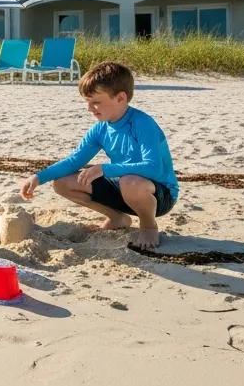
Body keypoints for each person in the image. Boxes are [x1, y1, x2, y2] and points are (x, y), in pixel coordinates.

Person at [18, 61, 179, 251]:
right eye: (87, 102)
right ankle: (117, 217)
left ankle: (148, 225)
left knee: (130, 181)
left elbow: (153, 168)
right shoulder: (100, 129)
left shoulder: (142, 123)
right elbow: (75, 160)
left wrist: (105, 169)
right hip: (124, 187)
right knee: (61, 183)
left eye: (95, 102)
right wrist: (39, 177)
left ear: (120, 98)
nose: (90, 108)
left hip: (159, 194)